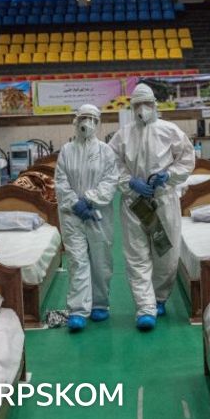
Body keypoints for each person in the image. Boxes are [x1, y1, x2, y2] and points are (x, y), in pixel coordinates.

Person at [109, 84, 195, 330]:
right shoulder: (123, 135)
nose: (142, 109)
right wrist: (129, 182)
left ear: (155, 105)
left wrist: (169, 175)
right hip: (134, 203)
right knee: (136, 255)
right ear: (132, 107)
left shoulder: (170, 131)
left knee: (166, 254)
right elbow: (112, 163)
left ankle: (159, 298)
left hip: (163, 200)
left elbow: (187, 159)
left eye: (147, 104)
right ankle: (145, 308)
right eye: (137, 105)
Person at [54, 104, 119, 332]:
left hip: (98, 213)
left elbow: (110, 180)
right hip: (72, 215)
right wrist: (75, 203)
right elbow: (60, 181)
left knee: (101, 260)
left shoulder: (106, 151)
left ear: (98, 123)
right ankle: (78, 310)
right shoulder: (66, 151)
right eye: (83, 118)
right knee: (77, 260)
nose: (87, 123)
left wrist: (90, 200)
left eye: (92, 118)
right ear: (76, 121)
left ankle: (100, 303)